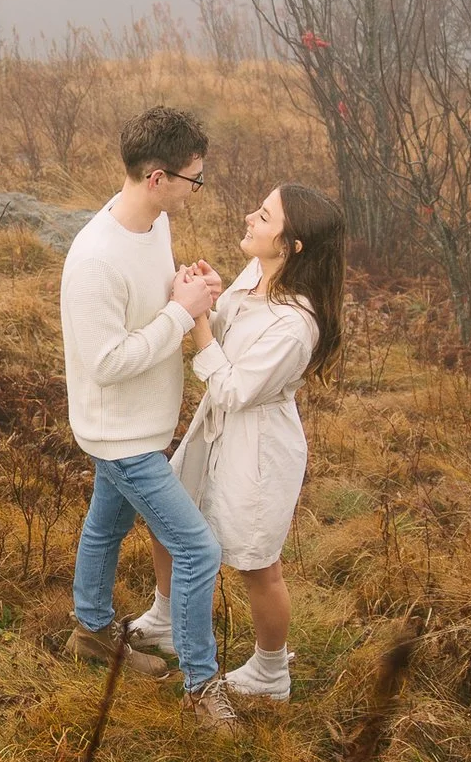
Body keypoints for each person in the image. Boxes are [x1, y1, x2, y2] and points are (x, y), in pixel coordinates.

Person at [57, 106, 236, 729]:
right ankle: (200, 688)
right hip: (120, 436)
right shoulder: (93, 260)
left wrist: (183, 289)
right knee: (197, 549)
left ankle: (91, 632)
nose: (197, 188)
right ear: (157, 177)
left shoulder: (153, 221)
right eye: (194, 178)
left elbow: (148, 310)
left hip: (145, 424)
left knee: (106, 526)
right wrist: (181, 315)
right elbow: (107, 362)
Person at [144, 183, 346, 702]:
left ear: (292, 244)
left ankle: (270, 672)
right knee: (171, 519)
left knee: (257, 563)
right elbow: (232, 324)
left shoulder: (296, 325)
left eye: (264, 215)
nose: (250, 218)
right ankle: (165, 619)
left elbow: (234, 388)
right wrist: (212, 292)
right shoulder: (259, 273)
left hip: (256, 447)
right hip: (215, 429)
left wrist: (198, 320)